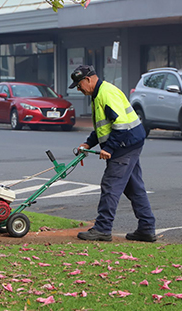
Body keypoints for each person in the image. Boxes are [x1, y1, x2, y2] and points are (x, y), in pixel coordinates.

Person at [69, 65, 156, 242]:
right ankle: (146, 228)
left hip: (126, 144)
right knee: (134, 187)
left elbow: (121, 124)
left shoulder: (106, 93)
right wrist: (88, 143)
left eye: (79, 85)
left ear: (88, 80)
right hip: (130, 142)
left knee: (110, 185)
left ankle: (102, 228)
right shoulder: (97, 94)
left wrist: (109, 148)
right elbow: (103, 127)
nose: (79, 89)